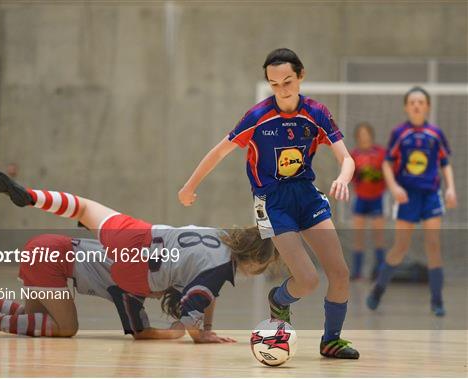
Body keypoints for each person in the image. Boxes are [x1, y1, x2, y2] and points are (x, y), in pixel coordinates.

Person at [178, 48, 359, 358]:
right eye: (274, 84)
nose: (282, 89)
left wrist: (343, 177)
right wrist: (189, 185)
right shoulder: (257, 116)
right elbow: (219, 151)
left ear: (301, 76)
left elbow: (347, 158)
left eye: (287, 81)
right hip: (270, 203)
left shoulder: (316, 113)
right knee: (308, 280)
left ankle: (331, 341)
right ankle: (279, 299)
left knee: (340, 273)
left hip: (305, 194)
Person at [0, 170, 278, 342]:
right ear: (253, 259)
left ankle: (31, 196)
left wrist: (206, 327)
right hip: (138, 272)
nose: (257, 273)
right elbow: (192, 309)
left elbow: (208, 293)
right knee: (68, 327)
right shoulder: (222, 267)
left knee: (83, 207)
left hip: (136, 234)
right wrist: (198, 335)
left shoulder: (218, 234)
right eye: (261, 267)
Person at [0, 234, 185, 340]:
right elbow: (139, 333)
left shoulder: (143, 259)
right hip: (51, 258)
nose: (153, 296)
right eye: (160, 293)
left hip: (44, 247)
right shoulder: (136, 283)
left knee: (36, 320)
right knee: (67, 327)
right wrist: (175, 332)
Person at [367, 87, 457, 317]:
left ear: (427, 106)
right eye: (412, 102)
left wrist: (451, 189)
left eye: (421, 102)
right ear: (406, 107)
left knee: (433, 245)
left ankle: (437, 301)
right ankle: (378, 289)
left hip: (430, 196)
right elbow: (387, 163)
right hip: (407, 196)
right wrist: (394, 187)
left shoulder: (435, 133)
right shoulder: (400, 133)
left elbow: (445, 163)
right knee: (400, 247)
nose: (417, 105)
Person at [349, 122, 387, 280]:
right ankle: (357, 271)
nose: (364, 137)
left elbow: (388, 173)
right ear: (357, 137)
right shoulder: (354, 154)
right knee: (358, 235)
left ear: (371, 135)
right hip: (361, 198)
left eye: (366, 134)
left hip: (377, 198)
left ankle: (379, 270)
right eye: (361, 135)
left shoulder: (381, 153)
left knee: (378, 235)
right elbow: (350, 176)